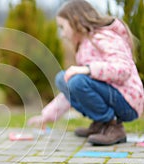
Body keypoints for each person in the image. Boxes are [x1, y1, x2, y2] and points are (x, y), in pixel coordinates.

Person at [28, 0, 143, 146]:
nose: (62, 34)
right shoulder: (84, 46)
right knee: (65, 79)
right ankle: (102, 124)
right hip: (113, 97)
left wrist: (88, 69)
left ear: (75, 21)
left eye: (63, 27)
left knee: (76, 81)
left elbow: (123, 69)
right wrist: (46, 115)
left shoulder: (104, 37)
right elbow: (70, 93)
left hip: (127, 101)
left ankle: (113, 126)